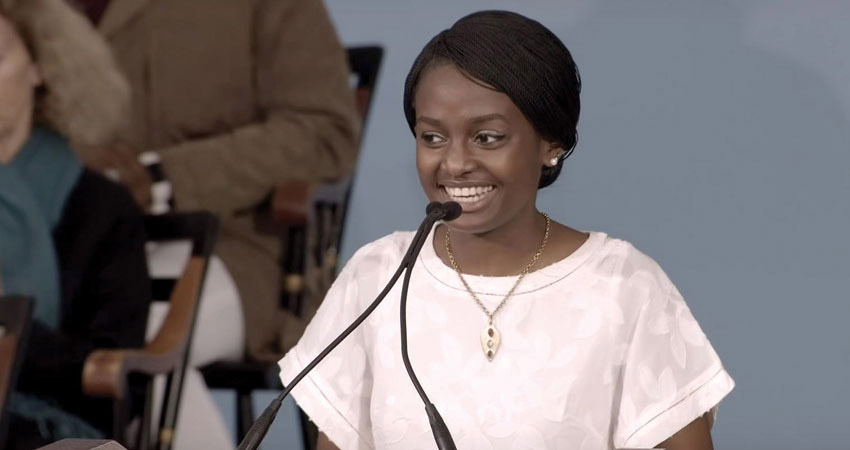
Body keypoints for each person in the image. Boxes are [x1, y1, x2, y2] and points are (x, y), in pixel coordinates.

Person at [279, 10, 735, 450]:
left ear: (551, 143)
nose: (454, 164)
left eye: (487, 137)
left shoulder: (624, 287)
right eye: (432, 137)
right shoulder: (377, 276)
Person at [70, 0, 362, 361]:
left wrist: (164, 176)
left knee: (121, 341)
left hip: (235, 241)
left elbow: (324, 133)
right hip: (69, 243)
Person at [0, 0, 150, 447]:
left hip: (47, 426)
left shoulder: (100, 208)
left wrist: (9, 329)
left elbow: (112, 373)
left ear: (40, 67)